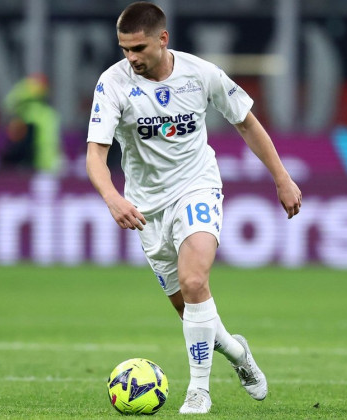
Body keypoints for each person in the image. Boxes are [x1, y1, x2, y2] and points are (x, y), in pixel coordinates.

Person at [86, 2, 301, 414]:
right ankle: (237, 352)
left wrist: (282, 177)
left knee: (195, 281)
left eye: (139, 48)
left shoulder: (200, 74)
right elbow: (96, 153)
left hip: (197, 187)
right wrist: (113, 197)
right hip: (147, 208)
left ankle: (198, 390)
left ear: (163, 39)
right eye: (124, 49)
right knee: (190, 307)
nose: (131, 58)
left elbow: (246, 121)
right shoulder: (112, 83)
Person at [1, 74, 62, 173]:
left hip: (35, 166)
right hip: (45, 165)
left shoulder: (27, 114)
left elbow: (8, 104)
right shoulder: (48, 114)